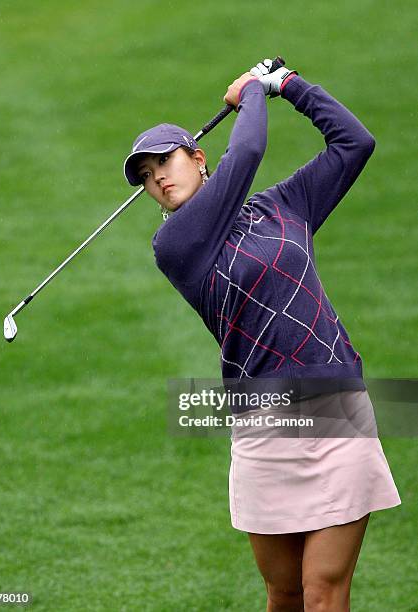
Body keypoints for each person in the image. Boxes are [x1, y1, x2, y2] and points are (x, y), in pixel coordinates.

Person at [123, 58, 401, 611]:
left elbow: (355, 143)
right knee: (284, 593)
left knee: (324, 592)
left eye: (164, 161)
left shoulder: (283, 207)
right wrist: (254, 90)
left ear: (197, 158)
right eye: (146, 175)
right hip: (263, 426)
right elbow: (246, 152)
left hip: (336, 407)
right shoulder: (177, 245)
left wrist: (292, 88)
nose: (157, 177)